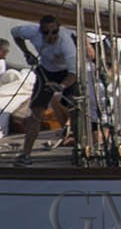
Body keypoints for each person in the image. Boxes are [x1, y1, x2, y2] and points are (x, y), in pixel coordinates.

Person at [10, 16, 79, 165]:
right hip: (46, 72)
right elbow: (15, 33)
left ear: (58, 29)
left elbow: (74, 73)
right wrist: (26, 53)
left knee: (75, 108)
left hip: (67, 73)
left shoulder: (66, 43)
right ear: (40, 30)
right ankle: (26, 154)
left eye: (54, 32)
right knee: (36, 112)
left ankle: (79, 148)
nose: (50, 36)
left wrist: (61, 87)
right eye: (46, 32)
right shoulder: (32, 32)